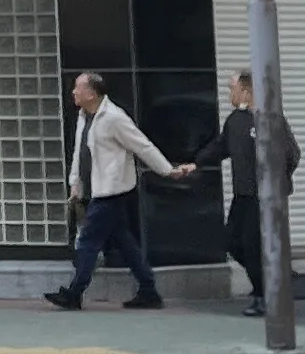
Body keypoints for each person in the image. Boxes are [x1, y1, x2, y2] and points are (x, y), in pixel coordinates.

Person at [49, 71, 194, 312]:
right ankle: (149, 290)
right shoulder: (84, 116)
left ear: (92, 93)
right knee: (125, 243)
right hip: (95, 191)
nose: (73, 92)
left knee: (87, 241)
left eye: (78, 88)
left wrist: (167, 171)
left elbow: (142, 145)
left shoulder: (114, 117)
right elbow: (79, 153)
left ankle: (74, 293)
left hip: (111, 192)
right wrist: (75, 183)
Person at [204, 72, 270, 317]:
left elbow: (291, 153)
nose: (229, 94)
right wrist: (195, 163)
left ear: (246, 91)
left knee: (252, 247)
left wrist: (278, 185)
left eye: (231, 88)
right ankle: (269, 279)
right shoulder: (236, 120)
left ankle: (263, 296)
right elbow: (221, 147)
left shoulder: (267, 119)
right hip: (242, 194)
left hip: (262, 196)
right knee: (231, 241)